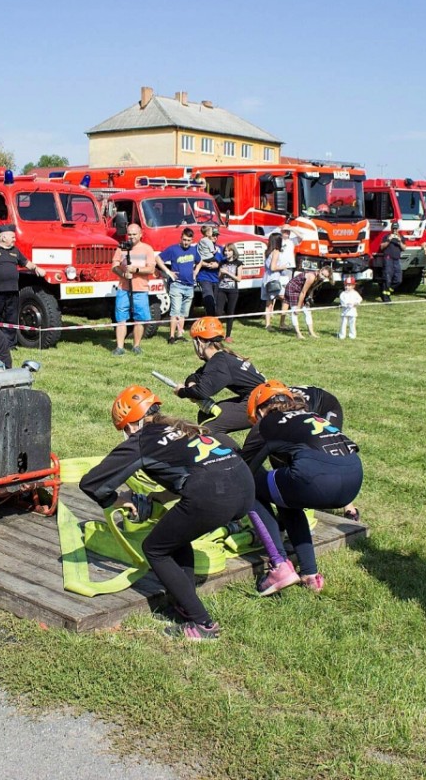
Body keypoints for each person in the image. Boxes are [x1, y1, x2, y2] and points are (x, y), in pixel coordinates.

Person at [79, 386, 253, 641]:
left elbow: (92, 483)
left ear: (131, 425)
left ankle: (203, 625)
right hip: (245, 488)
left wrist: (117, 499)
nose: (126, 435)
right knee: (174, 538)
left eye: (124, 430)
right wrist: (159, 497)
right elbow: (198, 467)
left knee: (155, 548)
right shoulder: (183, 427)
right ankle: (185, 601)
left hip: (215, 495)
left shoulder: (141, 440)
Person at [242, 380, 363, 595]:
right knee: (286, 495)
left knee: (249, 485)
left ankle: (279, 564)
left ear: (260, 410)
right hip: (354, 476)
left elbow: (244, 470)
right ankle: (310, 574)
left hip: (318, 480)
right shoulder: (312, 415)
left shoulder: (267, 423)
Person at [175, 316, 266, 436]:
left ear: (200, 342)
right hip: (256, 398)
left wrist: (182, 392)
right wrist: (191, 384)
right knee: (205, 414)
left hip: (262, 403)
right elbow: (195, 376)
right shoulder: (220, 358)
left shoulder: (219, 362)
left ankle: (231, 455)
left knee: (208, 427)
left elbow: (203, 392)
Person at [0, 224, 42, 343]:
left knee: (11, 318)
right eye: (12, 237)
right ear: (3, 238)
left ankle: (10, 343)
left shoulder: (15, 251)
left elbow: (26, 262)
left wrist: (36, 268)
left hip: (12, 291)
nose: (15, 239)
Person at [111, 224, 156, 356]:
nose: (131, 237)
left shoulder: (147, 249)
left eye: (134, 234)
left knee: (139, 319)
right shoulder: (122, 248)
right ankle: (119, 347)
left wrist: (136, 270)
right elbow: (114, 266)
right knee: (121, 318)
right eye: (129, 234)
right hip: (123, 289)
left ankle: (136, 346)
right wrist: (123, 274)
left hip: (140, 289)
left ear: (140, 234)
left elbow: (151, 269)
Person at [156, 228, 200, 343]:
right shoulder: (173, 249)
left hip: (189, 285)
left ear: (192, 240)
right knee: (175, 311)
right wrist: (168, 272)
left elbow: (200, 261)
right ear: (181, 238)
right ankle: (171, 336)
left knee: (183, 313)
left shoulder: (194, 250)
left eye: (188, 240)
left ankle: (180, 334)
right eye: (184, 239)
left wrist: (195, 272)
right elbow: (158, 258)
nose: (186, 242)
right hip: (177, 285)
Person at [262, 230, 291, 329]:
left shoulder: (267, 251)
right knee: (285, 299)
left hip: (266, 279)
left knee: (269, 303)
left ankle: (268, 324)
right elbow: (273, 267)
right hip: (273, 279)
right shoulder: (276, 252)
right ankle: (281, 323)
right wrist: (283, 267)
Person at [216, 243, 241, 342]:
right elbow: (219, 277)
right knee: (218, 311)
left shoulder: (238, 263)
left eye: (229, 251)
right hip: (221, 289)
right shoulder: (222, 262)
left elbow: (239, 279)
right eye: (225, 251)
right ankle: (218, 333)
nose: (226, 253)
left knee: (230, 312)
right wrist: (221, 273)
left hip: (232, 290)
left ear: (233, 251)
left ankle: (228, 335)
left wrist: (228, 273)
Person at [283, 269, 318, 338]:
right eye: (323, 274)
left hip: (301, 290)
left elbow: (311, 289)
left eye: (325, 276)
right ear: (320, 271)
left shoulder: (320, 279)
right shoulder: (312, 276)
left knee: (308, 311)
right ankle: (298, 333)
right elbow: (303, 292)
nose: (323, 276)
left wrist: (309, 298)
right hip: (292, 289)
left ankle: (311, 332)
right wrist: (298, 307)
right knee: (295, 311)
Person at [195, 225, 221, 316]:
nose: (215, 237)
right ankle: (210, 320)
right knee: (209, 300)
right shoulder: (199, 247)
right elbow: (194, 260)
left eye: (216, 235)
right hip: (204, 277)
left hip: (217, 278)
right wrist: (207, 264)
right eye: (213, 234)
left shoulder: (221, 249)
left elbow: (226, 263)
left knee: (218, 304)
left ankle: (216, 320)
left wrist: (217, 265)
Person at [380, 227, 404, 303]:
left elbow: (404, 248)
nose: (394, 230)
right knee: (387, 279)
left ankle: (388, 290)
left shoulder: (401, 237)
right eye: (393, 229)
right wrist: (389, 240)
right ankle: (386, 298)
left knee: (399, 280)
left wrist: (400, 242)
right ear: (391, 229)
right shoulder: (386, 236)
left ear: (398, 229)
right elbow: (381, 247)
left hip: (397, 260)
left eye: (396, 229)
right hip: (388, 259)